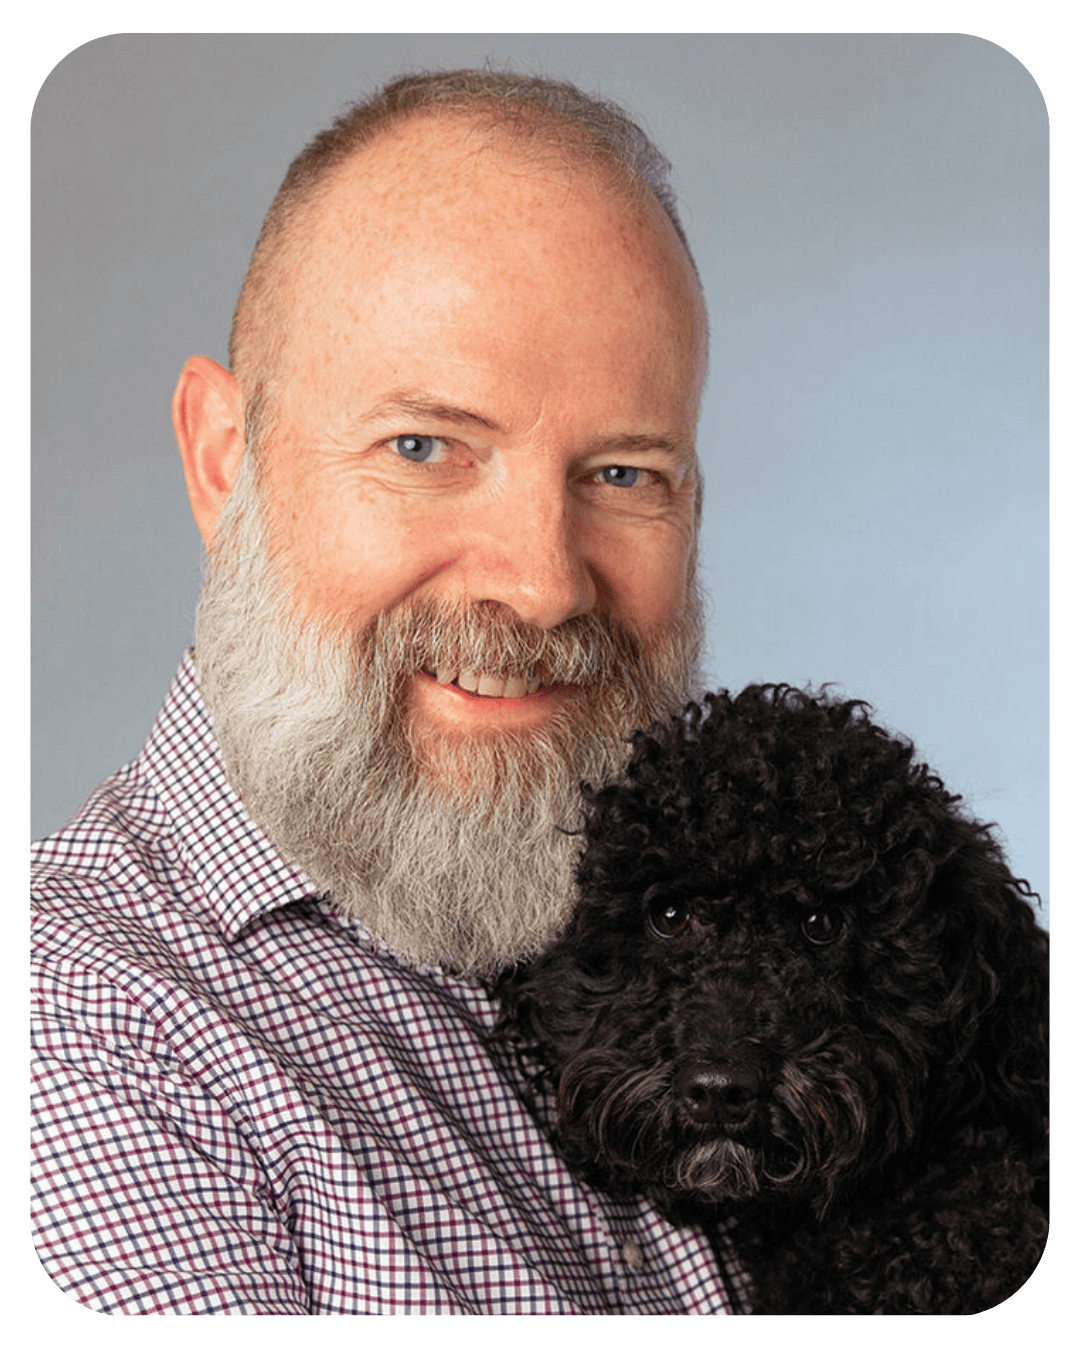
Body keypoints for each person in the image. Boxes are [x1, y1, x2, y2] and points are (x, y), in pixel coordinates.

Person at [31, 70, 745, 1315]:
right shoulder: (80, 1036)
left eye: (625, 472)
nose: (538, 584)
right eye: (424, 448)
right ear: (221, 459)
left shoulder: (753, 952)